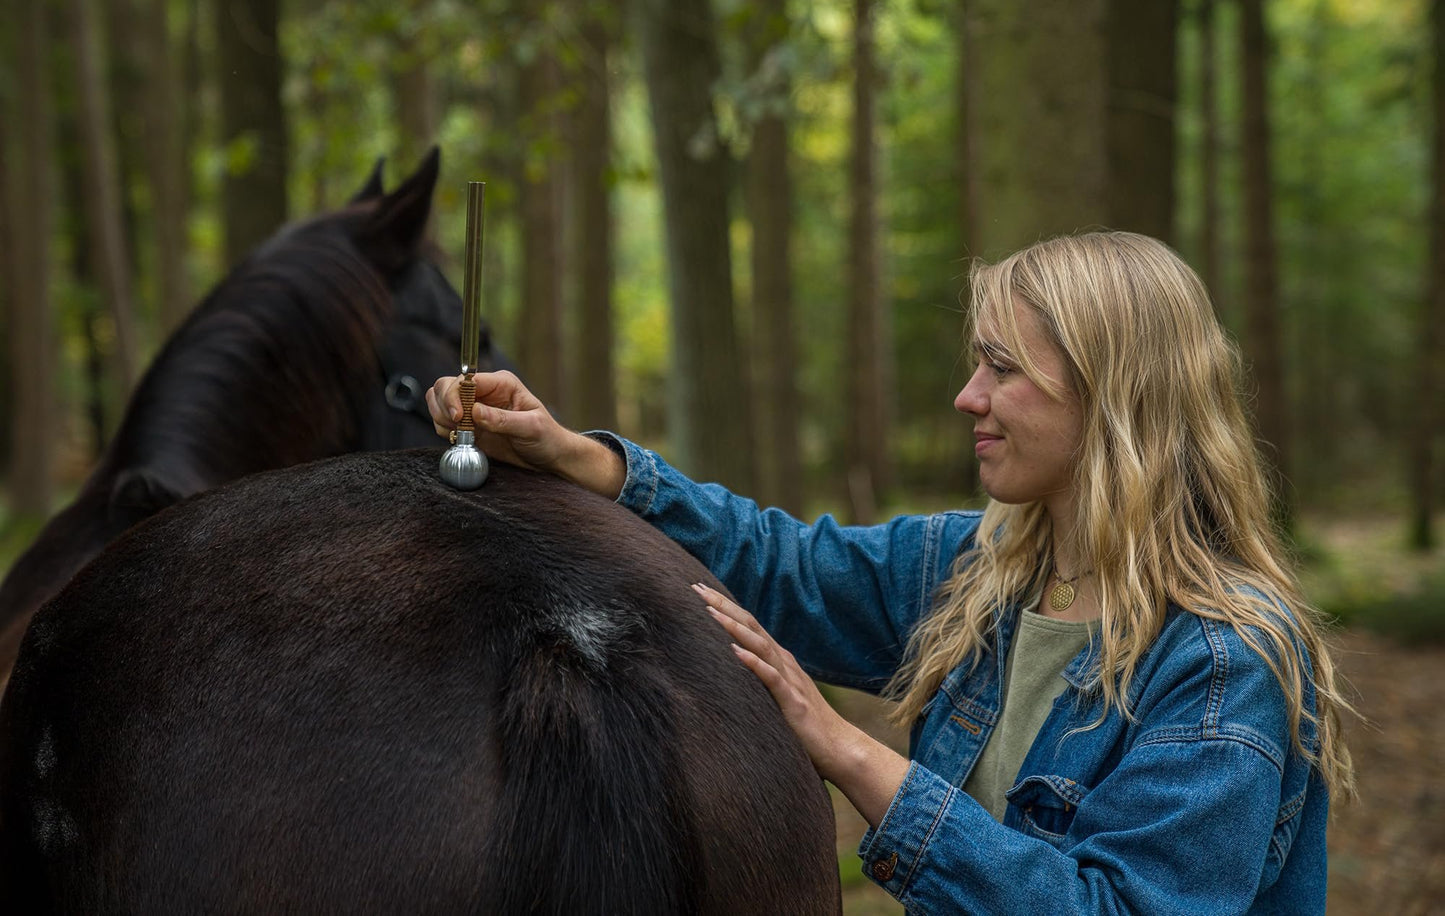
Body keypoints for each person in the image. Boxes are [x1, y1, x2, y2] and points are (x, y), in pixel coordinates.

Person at [427, 230, 1354, 914]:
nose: (967, 398)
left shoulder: (1224, 658)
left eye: (1002, 369)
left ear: (1115, 397)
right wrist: (581, 460)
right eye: (973, 365)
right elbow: (780, 566)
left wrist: (848, 754)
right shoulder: (980, 567)